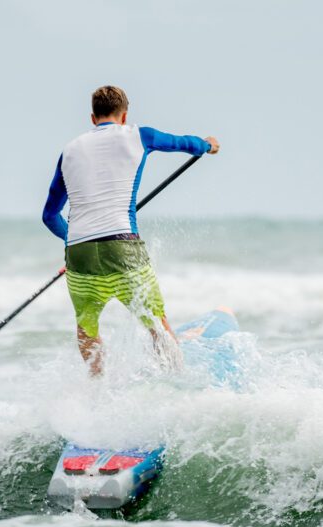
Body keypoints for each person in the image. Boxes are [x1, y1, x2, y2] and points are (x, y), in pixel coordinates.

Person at [42, 85, 219, 375]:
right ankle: (178, 384)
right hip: (122, 247)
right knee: (156, 326)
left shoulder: (69, 151)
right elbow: (185, 143)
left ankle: (95, 392)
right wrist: (207, 144)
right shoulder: (139, 135)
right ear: (124, 116)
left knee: (87, 329)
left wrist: (72, 242)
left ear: (92, 117)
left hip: (79, 254)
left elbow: (50, 215)